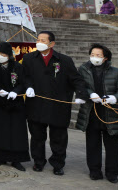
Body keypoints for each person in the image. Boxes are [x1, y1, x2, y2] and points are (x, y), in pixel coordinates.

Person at [22, 31, 89, 176]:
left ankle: (58, 164)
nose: (39, 42)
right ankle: (38, 162)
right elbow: (24, 76)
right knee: (37, 136)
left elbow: (76, 80)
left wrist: (80, 94)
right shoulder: (29, 58)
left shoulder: (64, 60)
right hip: (36, 104)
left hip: (58, 106)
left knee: (58, 138)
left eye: (43, 40)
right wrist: (28, 87)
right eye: (38, 39)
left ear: (52, 44)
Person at [76, 43, 118, 184]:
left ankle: (112, 173)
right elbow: (80, 85)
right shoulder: (83, 69)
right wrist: (89, 94)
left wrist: (114, 98)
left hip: (111, 113)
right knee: (92, 143)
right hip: (91, 112)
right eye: (92, 54)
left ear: (105, 58)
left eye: (98, 55)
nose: (94, 57)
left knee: (113, 145)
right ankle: (94, 171)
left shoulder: (116, 72)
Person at [0, 42, 30, 171]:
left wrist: (16, 91)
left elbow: (23, 81)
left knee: (16, 132)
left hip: (16, 103)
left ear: (9, 55)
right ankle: (0, 156)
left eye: (3, 54)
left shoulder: (17, 67)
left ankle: (17, 159)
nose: (0, 56)